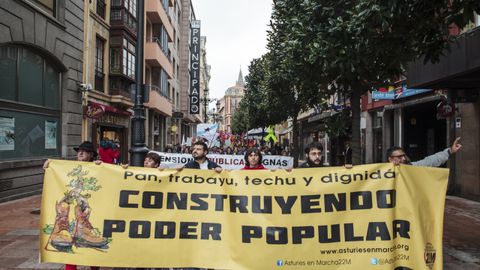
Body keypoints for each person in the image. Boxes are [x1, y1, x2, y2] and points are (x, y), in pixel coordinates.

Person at [43, 141, 105, 270]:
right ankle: (62, 229)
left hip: (88, 207)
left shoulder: (97, 167)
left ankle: (83, 233)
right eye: (79, 151)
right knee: (69, 252)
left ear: (91, 155)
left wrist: (102, 167)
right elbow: (54, 174)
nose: (80, 153)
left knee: (92, 253)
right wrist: (49, 166)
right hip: (71, 206)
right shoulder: (69, 167)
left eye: (85, 151)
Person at [387, 137, 462, 167]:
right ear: (390, 159)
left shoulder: (412, 167)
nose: (403, 158)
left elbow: (429, 161)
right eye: (399, 157)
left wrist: (450, 151)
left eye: (404, 155)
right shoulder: (382, 173)